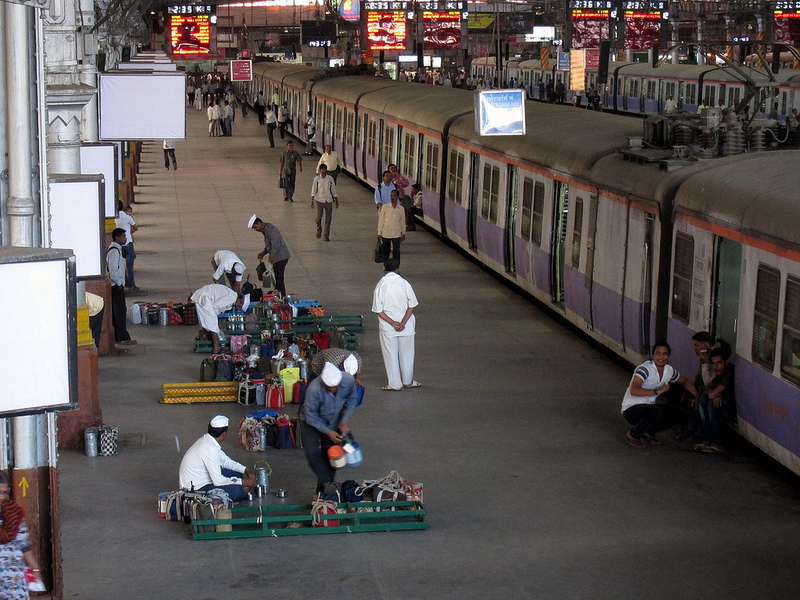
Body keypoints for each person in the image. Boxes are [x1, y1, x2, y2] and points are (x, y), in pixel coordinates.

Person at [621, 342, 698, 448]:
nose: (661, 357)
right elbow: (634, 390)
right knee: (656, 411)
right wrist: (657, 391)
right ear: (653, 356)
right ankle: (633, 435)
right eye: (658, 353)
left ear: (668, 357)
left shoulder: (669, 371)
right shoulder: (645, 369)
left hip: (649, 407)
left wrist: (696, 396)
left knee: (680, 413)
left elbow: (685, 381)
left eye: (664, 354)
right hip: (631, 409)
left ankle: (649, 432)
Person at [301, 363, 358, 493]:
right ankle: (327, 487)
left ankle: (323, 493)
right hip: (312, 422)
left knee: (332, 456)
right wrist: (328, 432)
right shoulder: (314, 389)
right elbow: (311, 417)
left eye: (336, 387)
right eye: (329, 387)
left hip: (334, 420)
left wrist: (344, 420)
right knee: (312, 453)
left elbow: (352, 400)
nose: (333, 390)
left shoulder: (348, 380)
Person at [178, 415, 255, 502]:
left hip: (203, 480)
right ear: (224, 434)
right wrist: (242, 482)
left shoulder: (207, 440)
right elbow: (218, 481)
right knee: (237, 491)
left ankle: (239, 486)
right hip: (194, 490)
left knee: (237, 473)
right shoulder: (210, 448)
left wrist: (246, 470)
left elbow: (226, 461)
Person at [372, 258, 420, 391]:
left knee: (390, 354)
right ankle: (408, 381)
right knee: (407, 353)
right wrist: (403, 322)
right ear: (397, 269)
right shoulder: (405, 283)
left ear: (384, 268)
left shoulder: (380, 285)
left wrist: (393, 323)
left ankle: (394, 384)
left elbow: (378, 310)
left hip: (388, 328)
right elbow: (412, 306)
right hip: (407, 327)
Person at [0, 471, 45, 597]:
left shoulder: (13, 514)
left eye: (5, 493)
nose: (2, 497)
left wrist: (35, 569)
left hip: (14, 585)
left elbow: (24, 545)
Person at [694, 348, 736, 454]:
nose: (716, 367)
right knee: (703, 399)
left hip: (733, 409)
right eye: (713, 363)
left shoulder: (729, 373)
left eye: (719, 363)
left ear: (726, 362)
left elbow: (712, 393)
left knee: (712, 404)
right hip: (721, 402)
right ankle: (707, 439)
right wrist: (716, 395)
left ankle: (717, 443)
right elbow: (708, 387)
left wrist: (715, 394)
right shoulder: (718, 375)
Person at [190, 283, 247, 353]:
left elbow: (216, 310)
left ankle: (202, 339)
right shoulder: (232, 298)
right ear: (240, 300)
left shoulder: (232, 300)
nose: (238, 307)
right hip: (205, 297)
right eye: (240, 305)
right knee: (213, 323)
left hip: (205, 297)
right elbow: (215, 306)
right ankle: (216, 346)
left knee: (210, 323)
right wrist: (215, 324)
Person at [249, 215, 291, 297]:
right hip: (277, 257)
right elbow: (269, 245)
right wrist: (263, 253)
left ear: (259, 223)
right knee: (277, 278)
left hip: (281, 256)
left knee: (279, 278)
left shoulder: (269, 229)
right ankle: (278, 295)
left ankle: (282, 296)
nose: (256, 230)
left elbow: (275, 244)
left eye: (255, 227)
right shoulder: (265, 230)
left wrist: (271, 256)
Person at [107, 228, 136, 346]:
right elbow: (113, 270)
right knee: (120, 311)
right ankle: (122, 337)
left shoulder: (117, 250)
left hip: (118, 285)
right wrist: (119, 284)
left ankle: (120, 336)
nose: (125, 238)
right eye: (123, 236)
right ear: (117, 237)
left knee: (119, 311)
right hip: (116, 286)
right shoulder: (114, 251)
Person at [310, 164, 338, 242]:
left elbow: (333, 189)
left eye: (325, 169)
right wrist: (312, 200)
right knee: (319, 218)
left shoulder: (330, 179)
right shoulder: (317, 179)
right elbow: (314, 189)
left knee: (328, 219)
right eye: (322, 169)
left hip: (328, 200)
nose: (324, 171)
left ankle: (326, 235)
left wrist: (336, 200)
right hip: (319, 200)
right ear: (320, 170)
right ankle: (319, 229)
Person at [115, 202, 139, 292]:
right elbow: (135, 227)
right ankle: (131, 286)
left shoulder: (115, 218)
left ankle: (122, 283)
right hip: (128, 243)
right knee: (129, 266)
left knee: (119, 266)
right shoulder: (127, 217)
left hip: (119, 245)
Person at [377, 189, 405, 263]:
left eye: (394, 196)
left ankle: (396, 268)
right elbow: (381, 220)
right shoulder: (385, 207)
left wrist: (403, 232)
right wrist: (379, 232)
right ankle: (386, 268)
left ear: (398, 197)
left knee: (396, 253)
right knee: (386, 252)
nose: (392, 197)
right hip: (386, 233)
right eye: (391, 196)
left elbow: (402, 221)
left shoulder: (401, 209)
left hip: (396, 233)